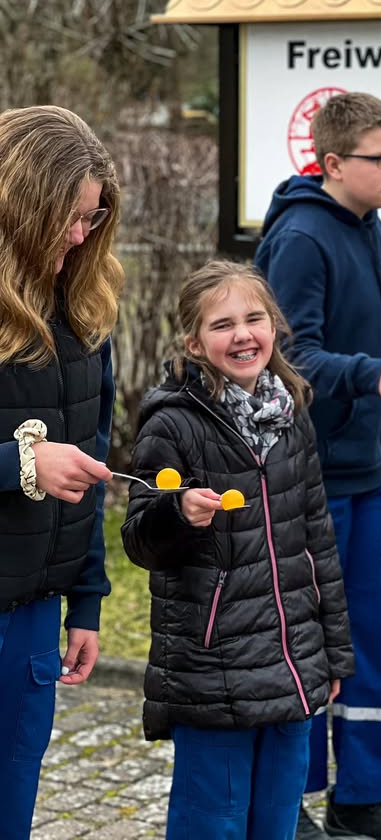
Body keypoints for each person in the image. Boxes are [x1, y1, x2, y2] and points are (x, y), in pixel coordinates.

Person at [255, 92, 381, 840]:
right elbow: (288, 353)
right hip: (311, 479)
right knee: (308, 640)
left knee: (372, 636)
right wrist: (372, 378)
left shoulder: (372, 228)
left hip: (367, 473)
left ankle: (363, 800)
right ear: (333, 163)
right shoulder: (302, 236)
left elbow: (375, 334)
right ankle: (288, 805)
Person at [121, 260, 355, 840]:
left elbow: (318, 539)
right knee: (213, 823)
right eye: (222, 325)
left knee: (275, 822)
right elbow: (140, 540)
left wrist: (333, 654)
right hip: (212, 668)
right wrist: (178, 514)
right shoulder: (172, 424)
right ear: (193, 341)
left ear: (274, 325)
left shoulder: (292, 413)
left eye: (254, 318)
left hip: (293, 665)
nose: (243, 335)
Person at [0, 105, 124, 840]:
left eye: (94, 217)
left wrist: (87, 598)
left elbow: (91, 467)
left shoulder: (85, 309)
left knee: (14, 800)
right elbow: (41, 464)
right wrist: (20, 463)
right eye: (68, 218)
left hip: (35, 612)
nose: (82, 236)